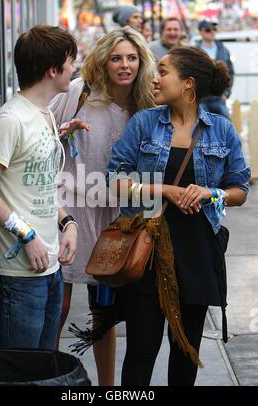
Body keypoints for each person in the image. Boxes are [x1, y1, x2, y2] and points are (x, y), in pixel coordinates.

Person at [105, 46, 250, 385]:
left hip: (198, 254)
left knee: (186, 354)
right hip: (147, 252)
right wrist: (166, 191)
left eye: (163, 71)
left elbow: (239, 190)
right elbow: (114, 180)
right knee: (141, 352)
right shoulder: (144, 123)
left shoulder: (221, 130)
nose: (154, 78)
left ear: (188, 84)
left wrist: (210, 193)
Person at [50, 26, 156, 385]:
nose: (124, 65)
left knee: (104, 313)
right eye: (116, 58)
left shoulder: (146, 104)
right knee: (58, 308)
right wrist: (62, 131)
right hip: (70, 211)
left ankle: (107, 388)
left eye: (131, 58)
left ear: (141, 62)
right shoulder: (80, 91)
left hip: (116, 217)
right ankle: (46, 376)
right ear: (104, 60)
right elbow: (42, 129)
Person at [0, 25, 83, 351]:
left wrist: (67, 222)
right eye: (71, 62)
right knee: (19, 373)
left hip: (48, 267)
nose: (74, 69)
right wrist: (26, 234)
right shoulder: (11, 119)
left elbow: (38, 184)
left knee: (43, 369)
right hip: (16, 275)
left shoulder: (43, 113)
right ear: (53, 70)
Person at [196, 20, 234, 119]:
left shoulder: (223, 49)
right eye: (208, 30)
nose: (212, 32)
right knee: (202, 131)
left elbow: (231, 72)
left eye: (214, 29)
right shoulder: (195, 50)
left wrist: (226, 93)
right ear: (200, 32)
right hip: (201, 99)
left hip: (219, 98)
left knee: (226, 130)